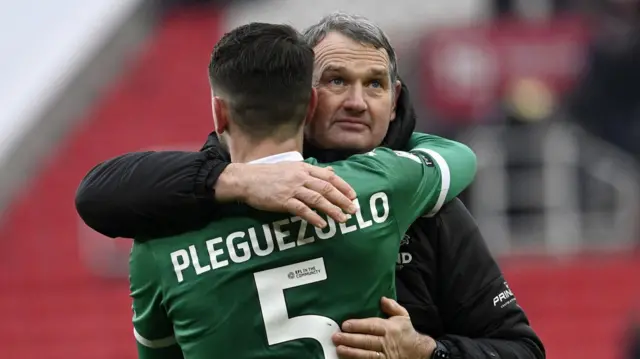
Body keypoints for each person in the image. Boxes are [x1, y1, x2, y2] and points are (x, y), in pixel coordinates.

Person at [76, 13, 545, 359]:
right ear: (306, 96)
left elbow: (521, 351)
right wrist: (236, 180)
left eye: (376, 85)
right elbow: (98, 194)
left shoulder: (427, 207)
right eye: (337, 80)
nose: (358, 102)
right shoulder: (208, 191)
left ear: (396, 98)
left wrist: (429, 352)